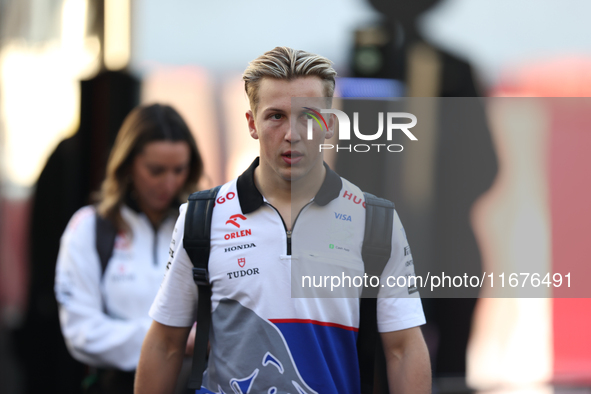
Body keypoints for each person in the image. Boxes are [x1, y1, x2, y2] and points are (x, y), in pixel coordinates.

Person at [136, 47, 431, 394]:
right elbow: (166, 343)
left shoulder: (376, 221)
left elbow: (403, 348)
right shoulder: (203, 216)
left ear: (330, 124)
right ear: (251, 124)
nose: (292, 133)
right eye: (275, 116)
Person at [55, 104, 203, 393]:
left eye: (179, 169)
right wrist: (175, 341)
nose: (169, 183)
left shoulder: (203, 227)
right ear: (127, 164)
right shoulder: (89, 228)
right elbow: (81, 333)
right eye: (156, 170)